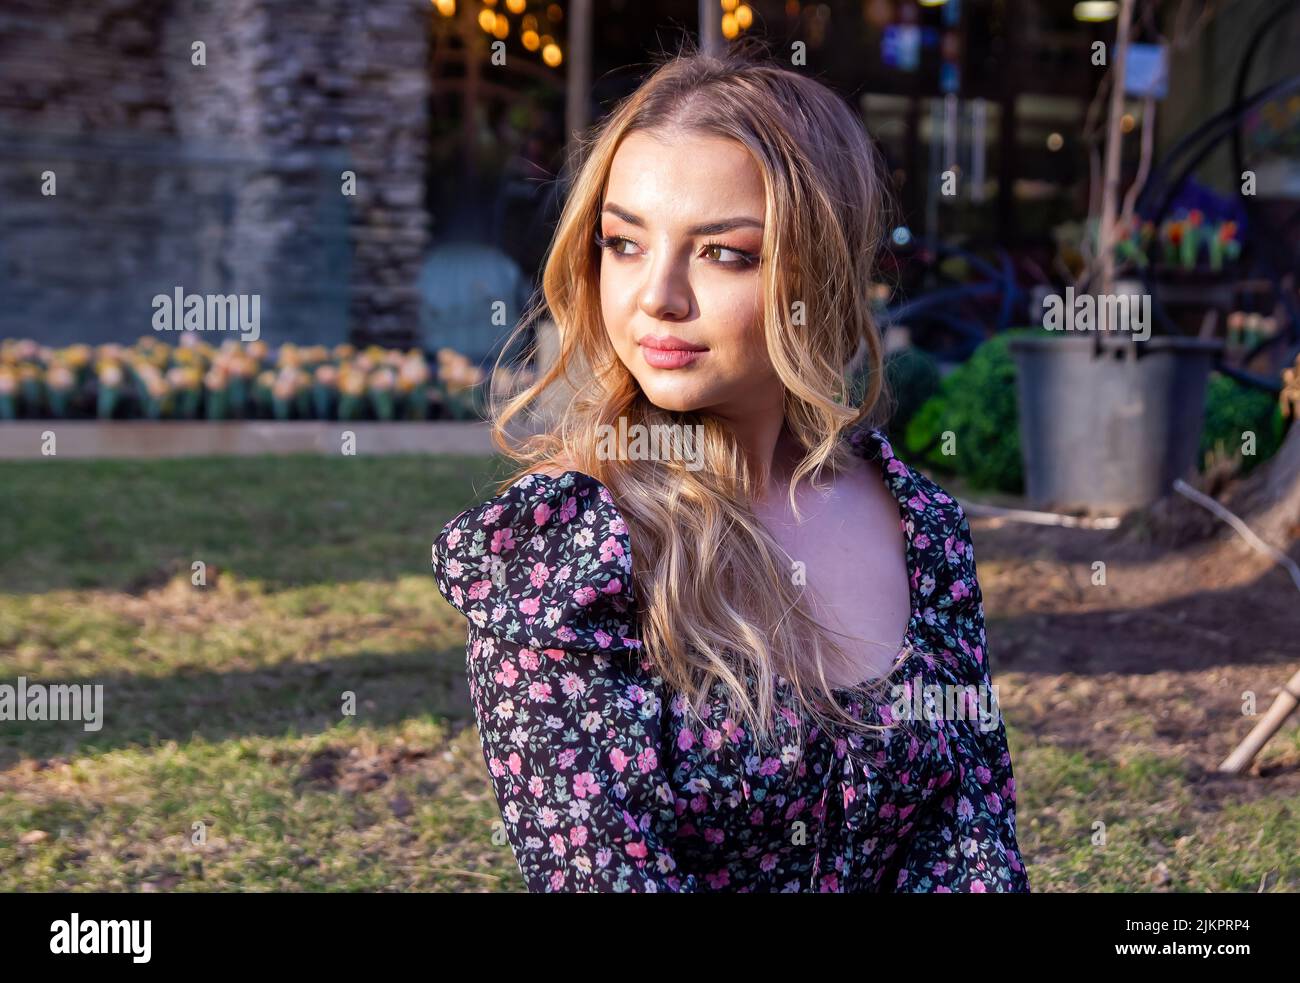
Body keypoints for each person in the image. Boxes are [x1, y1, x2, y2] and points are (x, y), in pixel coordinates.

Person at [431, 43, 1029, 893]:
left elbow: (972, 838)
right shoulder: (565, 553)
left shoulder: (924, 531)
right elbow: (602, 873)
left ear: (816, 272)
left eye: (724, 253)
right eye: (625, 244)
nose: (657, 296)